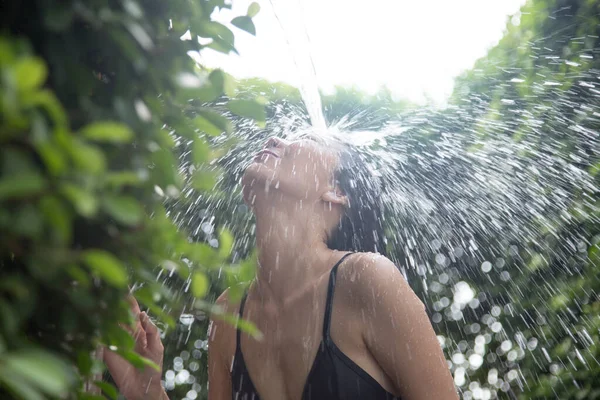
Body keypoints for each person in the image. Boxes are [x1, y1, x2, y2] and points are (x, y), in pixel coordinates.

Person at [106, 135, 459, 400]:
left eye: (306, 139)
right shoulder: (229, 314)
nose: (277, 139)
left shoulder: (367, 280)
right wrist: (146, 390)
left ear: (335, 192)